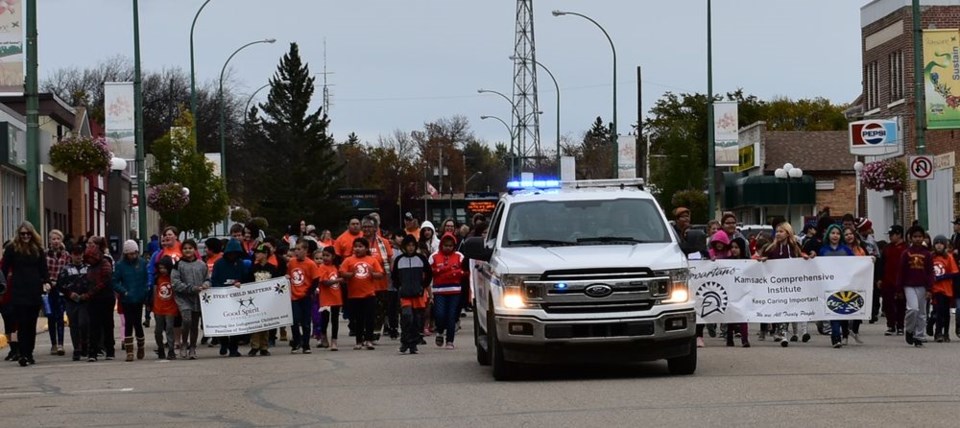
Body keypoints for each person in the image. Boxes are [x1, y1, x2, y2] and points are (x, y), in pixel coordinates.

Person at [1, 222, 52, 366]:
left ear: (32, 234)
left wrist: (47, 281)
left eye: (28, 233)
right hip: (18, 290)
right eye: (23, 234)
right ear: (19, 234)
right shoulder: (12, 249)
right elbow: (3, 268)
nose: (25, 236)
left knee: (31, 323)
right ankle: (23, 354)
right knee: (21, 323)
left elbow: (43, 269)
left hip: (34, 290)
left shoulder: (38, 250)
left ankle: (29, 352)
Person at [760, 222, 808, 347]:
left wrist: (806, 257)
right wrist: (764, 260)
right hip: (777, 285)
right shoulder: (771, 248)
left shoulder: (795, 247)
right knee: (782, 310)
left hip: (792, 284)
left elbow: (801, 258)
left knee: (792, 308)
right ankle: (783, 334)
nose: (778, 234)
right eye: (777, 232)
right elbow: (763, 259)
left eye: (781, 231)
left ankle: (801, 331)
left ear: (788, 233)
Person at [340, 237, 385, 350]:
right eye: (355, 246)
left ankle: (369, 340)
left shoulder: (372, 260)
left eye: (360, 246)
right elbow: (342, 273)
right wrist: (350, 274)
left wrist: (372, 273)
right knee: (357, 319)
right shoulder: (349, 260)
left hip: (369, 294)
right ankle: (359, 341)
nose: (358, 249)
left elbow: (380, 274)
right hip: (354, 295)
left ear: (366, 248)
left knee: (369, 318)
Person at [392, 235, 432, 354]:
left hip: (418, 294)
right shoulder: (399, 260)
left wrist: (423, 286)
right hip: (405, 294)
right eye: (408, 245)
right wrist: (400, 287)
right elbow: (394, 277)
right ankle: (405, 342)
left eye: (412, 245)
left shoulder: (421, 259)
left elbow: (429, 273)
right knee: (406, 317)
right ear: (404, 247)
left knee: (417, 320)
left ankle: (413, 344)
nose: (410, 248)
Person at [210, 238, 250, 357]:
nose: (233, 256)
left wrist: (240, 284)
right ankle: (224, 343)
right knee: (223, 323)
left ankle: (233, 348)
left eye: (235, 253)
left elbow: (246, 278)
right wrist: (221, 288)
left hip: (236, 298)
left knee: (236, 324)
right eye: (231, 253)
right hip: (222, 297)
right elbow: (214, 279)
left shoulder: (241, 263)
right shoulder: (219, 263)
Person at [112, 240, 149, 361]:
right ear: (126, 254)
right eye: (130, 253)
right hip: (127, 299)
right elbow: (114, 281)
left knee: (138, 323)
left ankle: (141, 347)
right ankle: (129, 351)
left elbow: (146, 279)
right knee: (128, 323)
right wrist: (124, 291)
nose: (133, 256)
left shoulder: (143, 263)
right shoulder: (120, 265)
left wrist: (145, 292)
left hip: (139, 298)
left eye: (135, 253)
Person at [818, 225, 854, 348]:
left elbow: (856, 265)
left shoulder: (846, 250)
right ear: (828, 235)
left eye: (838, 233)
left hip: (844, 284)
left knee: (843, 312)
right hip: (829, 285)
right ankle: (835, 337)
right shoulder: (823, 250)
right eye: (832, 233)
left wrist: (870, 260)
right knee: (834, 310)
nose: (835, 235)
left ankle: (844, 333)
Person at [172, 239, 208, 359]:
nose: (188, 250)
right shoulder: (178, 265)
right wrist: (191, 288)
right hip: (183, 298)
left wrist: (207, 284)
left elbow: (207, 278)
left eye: (190, 248)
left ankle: (192, 347)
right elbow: (175, 283)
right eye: (185, 248)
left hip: (197, 299)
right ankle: (184, 344)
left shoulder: (202, 264)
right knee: (186, 320)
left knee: (194, 324)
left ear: (195, 250)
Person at [900, 225, 934, 347]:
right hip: (909, 285)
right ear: (910, 238)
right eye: (915, 237)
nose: (918, 239)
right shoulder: (906, 253)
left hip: (923, 286)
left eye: (920, 236)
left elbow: (930, 272)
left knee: (922, 312)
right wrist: (899, 288)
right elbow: (902, 271)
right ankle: (909, 330)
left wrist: (930, 288)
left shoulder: (927, 254)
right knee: (912, 309)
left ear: (923, 238)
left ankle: (919, 336)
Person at [430, 233, 465, 349]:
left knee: (451, 316)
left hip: (455, 291)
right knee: (439, 314)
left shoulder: (459, 256)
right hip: (439, 291)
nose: (448, 247)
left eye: (450, 245)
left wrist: (453, 273)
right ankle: (440, 332)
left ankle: (450, 341)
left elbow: (465, 271)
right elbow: (430, 272)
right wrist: (449, 270)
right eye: (445, 245)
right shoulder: (434, 256)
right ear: (441, 245)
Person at [83, 237, 115, 362]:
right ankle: (93, 352)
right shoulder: (89, 266)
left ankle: (109, 350)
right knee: (94, 326)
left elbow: (105, 281)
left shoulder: (105, 262)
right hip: (93, 299)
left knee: (107, 324)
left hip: (105, 297)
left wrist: (90, 292)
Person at [363, 216, 395, 342]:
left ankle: (376, 332)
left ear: (375, 228)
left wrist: (391, 274)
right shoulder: (358, 243)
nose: (367, 229)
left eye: (369, 226)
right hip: (363, 283)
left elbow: (390, 259)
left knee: (380, 309)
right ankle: (366, 331)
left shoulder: (384, 242)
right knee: (365, 310)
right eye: (364, 226)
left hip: (381, 282)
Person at [57, 243, 90, 361]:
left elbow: (92, 283)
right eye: (76, 255)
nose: (79, 257)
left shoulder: (87, 268)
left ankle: (85, 344)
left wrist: (87, 294)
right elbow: (60, 285)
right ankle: (77, 348)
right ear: (71, 255)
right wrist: (70, 294)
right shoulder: (66, 269)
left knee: (84, 323)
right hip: (71, 301)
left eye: (80, 254)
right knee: (74, 325)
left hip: (85, 301)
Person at [245, 243, 279, 356]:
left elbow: (277, 283)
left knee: (266, 324)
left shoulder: (272, 268)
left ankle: (264, 346)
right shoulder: (253, 268)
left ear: (265, 254)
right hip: (255, 300)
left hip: (268, 300)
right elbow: (248, 282)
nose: (256, 254)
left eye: (259, 252)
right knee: (256, 323)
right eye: (255, 252)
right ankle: (254, 346)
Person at [286, 241, 319, 354]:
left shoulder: (311, 264)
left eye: (299, 249)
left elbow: (315, 280)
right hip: (294, 296)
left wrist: (309, 293)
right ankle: (296, 342)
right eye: (296, 249)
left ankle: (306, 344)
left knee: (305, 321)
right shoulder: (291, 262)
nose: (297, 251)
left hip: (305, 296)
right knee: (294, 321)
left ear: (305, 251)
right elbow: (289, 275)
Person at [44, 229, 70, 356]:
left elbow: (68, 272)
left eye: (58, 239)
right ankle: (53, 343)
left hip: (60, 288)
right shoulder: (44, 254)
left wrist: (61, 283)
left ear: (61, 240)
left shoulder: (66, 255)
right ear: (49, 241)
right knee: (50, 316)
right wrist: (47, 282)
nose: (55, 241)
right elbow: (42, 271)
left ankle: (61, 344)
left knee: (60, 316)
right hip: (48, 288)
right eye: (53, 239)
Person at [880, 225, 907, 336]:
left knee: (901, 304)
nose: (890, 237)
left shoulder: (906, 248)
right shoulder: (887, 248)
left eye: (892, 235)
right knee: (888, 304)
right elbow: (881, 264)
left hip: (901, 281)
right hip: (887, 280)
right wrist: (880, 278)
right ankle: (890, 325)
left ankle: (900, 325)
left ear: (899, 235)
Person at [843, 227, 869, 344]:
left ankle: (855, 330)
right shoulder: (841, 249)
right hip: (844, 281)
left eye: (850, 234)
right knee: (844, 306)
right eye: (846, 234)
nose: (849, 236)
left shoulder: (860, 249)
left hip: (858, 281)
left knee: (858, 305)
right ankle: (845, 334)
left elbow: (865, 262)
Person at [930, 235, 957, 343]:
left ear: (945, 245)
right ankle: (938, 332)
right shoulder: (931, 257)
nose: (939, 246)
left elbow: (954, 273)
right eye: (937, 243)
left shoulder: (949, 257)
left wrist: (942, 277)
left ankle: (946, 332)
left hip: (946, 288)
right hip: (936, 289)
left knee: (946, 312)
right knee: (938, 310)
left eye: (941, 243)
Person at [316, 246, 343, 351]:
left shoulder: (336, 267)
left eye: (328, 255)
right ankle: (323, 335)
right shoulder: (322, 267)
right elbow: (325, 282)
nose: (325, 258)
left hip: (336, 297)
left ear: (333, 256)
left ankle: (334, 340)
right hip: (326, 298)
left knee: (335, 320)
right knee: (325, 319)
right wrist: (338, 280)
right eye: (324, 256)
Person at [151, 256, 179, 360]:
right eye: (160, 268)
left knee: (169, 329)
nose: (162, 270)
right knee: (158, 330)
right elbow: (154, 292)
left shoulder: (173, 278)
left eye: (164, 268)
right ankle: (160, 348)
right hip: (158, 308)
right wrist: (151, 304)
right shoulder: (157, 278)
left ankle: (171, 350)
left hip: (170, 307)